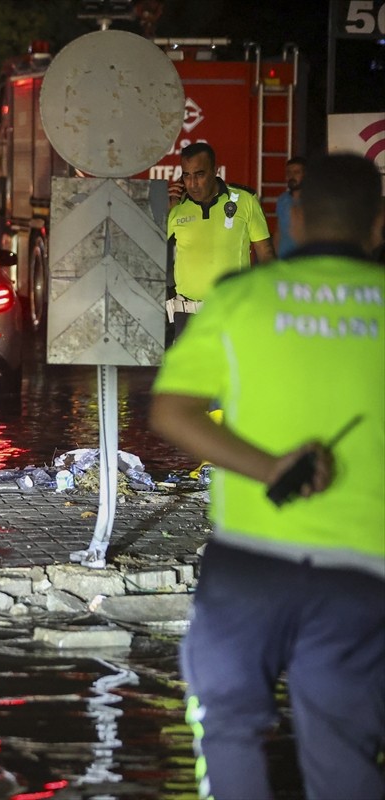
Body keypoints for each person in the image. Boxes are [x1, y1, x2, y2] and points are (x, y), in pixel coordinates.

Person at [149, 153, 385, 800]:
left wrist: (270, 468)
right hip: (363, 574)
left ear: (297, 219)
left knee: (226, 724)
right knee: (345, 748)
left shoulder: (242, 299)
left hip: (249, 564)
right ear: (379, 224)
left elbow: (172, 410)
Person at [166, 142, 275, 340]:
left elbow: (266, 254)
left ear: (215, 171)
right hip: (187, 315)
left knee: (234, 371)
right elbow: (152, 250)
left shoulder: (244, 200)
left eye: (199, 174)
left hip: (232, 310)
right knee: (190, 372)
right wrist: (170, 208)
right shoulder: (177, 206)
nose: (192, 184)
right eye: (186, 175)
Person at [273, 156, 306, 258]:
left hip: (305, 260)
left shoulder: (314, 201)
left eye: (296, 172)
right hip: (284, 260)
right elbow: (278, 231)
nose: (292, 176)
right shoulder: (283, 199)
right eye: (289, 173)